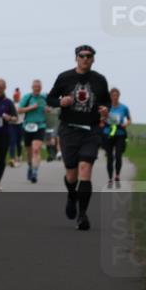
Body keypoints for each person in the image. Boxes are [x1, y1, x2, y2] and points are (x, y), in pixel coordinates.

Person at [46, 44, 111, 231]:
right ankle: (71, 194)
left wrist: (106, 109)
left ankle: (82, 216)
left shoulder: (99, 80)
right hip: (69, 130)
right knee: (71, 174)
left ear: (93, 59)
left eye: (89, 56)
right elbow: (50, 98)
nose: (85, 59)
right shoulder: (65, 77)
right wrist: (60, 102)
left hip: (91, 131)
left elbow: (106, 101)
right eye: (82, 56)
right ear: (76, 58)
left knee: (85, 170)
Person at [17, 80, 48, 183]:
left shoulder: (44, 97)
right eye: (35, 86)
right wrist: (31, 107)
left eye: (38, 87)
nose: (37, 88)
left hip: (40, 125)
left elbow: (50, 108)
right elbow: (19, 110)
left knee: (36, 149)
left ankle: (35, 172)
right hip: (28, 126)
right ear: (32, 87)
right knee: (29, 151)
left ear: (41, 87)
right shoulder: (27, 97)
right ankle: (30, 166)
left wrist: (48, 109)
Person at [101, 87, 131, 189]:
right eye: (113, 95)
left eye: (116, 95)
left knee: (118, 155)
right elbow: (101, 119)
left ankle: (117, 175)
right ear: (110, 96)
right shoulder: (105, 107)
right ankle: (110, 178)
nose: (115, 97)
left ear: (119, 96)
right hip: (108, 133)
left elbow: (129, 119)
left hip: (120, 134)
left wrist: (126, 124)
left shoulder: (124, 108)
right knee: (110, 157)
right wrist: (103, 120)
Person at [8, 86, 24, 167]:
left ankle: (19, 156)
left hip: (20, 124)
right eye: (14, 96)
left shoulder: (22, 104)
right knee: (12, 142)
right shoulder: (11, 104)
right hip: (12, 125)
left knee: (18, 142)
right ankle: (12, 159)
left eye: (17, 96)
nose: (15, 97)